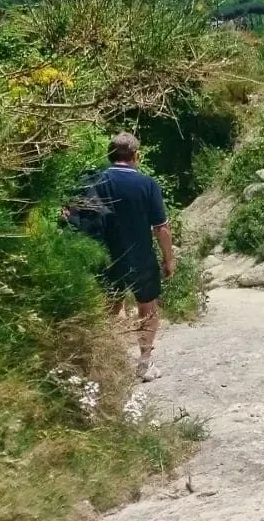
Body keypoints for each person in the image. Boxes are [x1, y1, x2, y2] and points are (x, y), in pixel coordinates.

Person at [70, 133, 176, 382]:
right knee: (147, 308)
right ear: (136, 156)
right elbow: (161, 228)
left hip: (106, 257)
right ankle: (144, 364)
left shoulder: (95, 180)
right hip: (140, 257)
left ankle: (103, 364)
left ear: (110, 155)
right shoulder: (147, 184)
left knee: (109, 309)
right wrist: (169, 259)